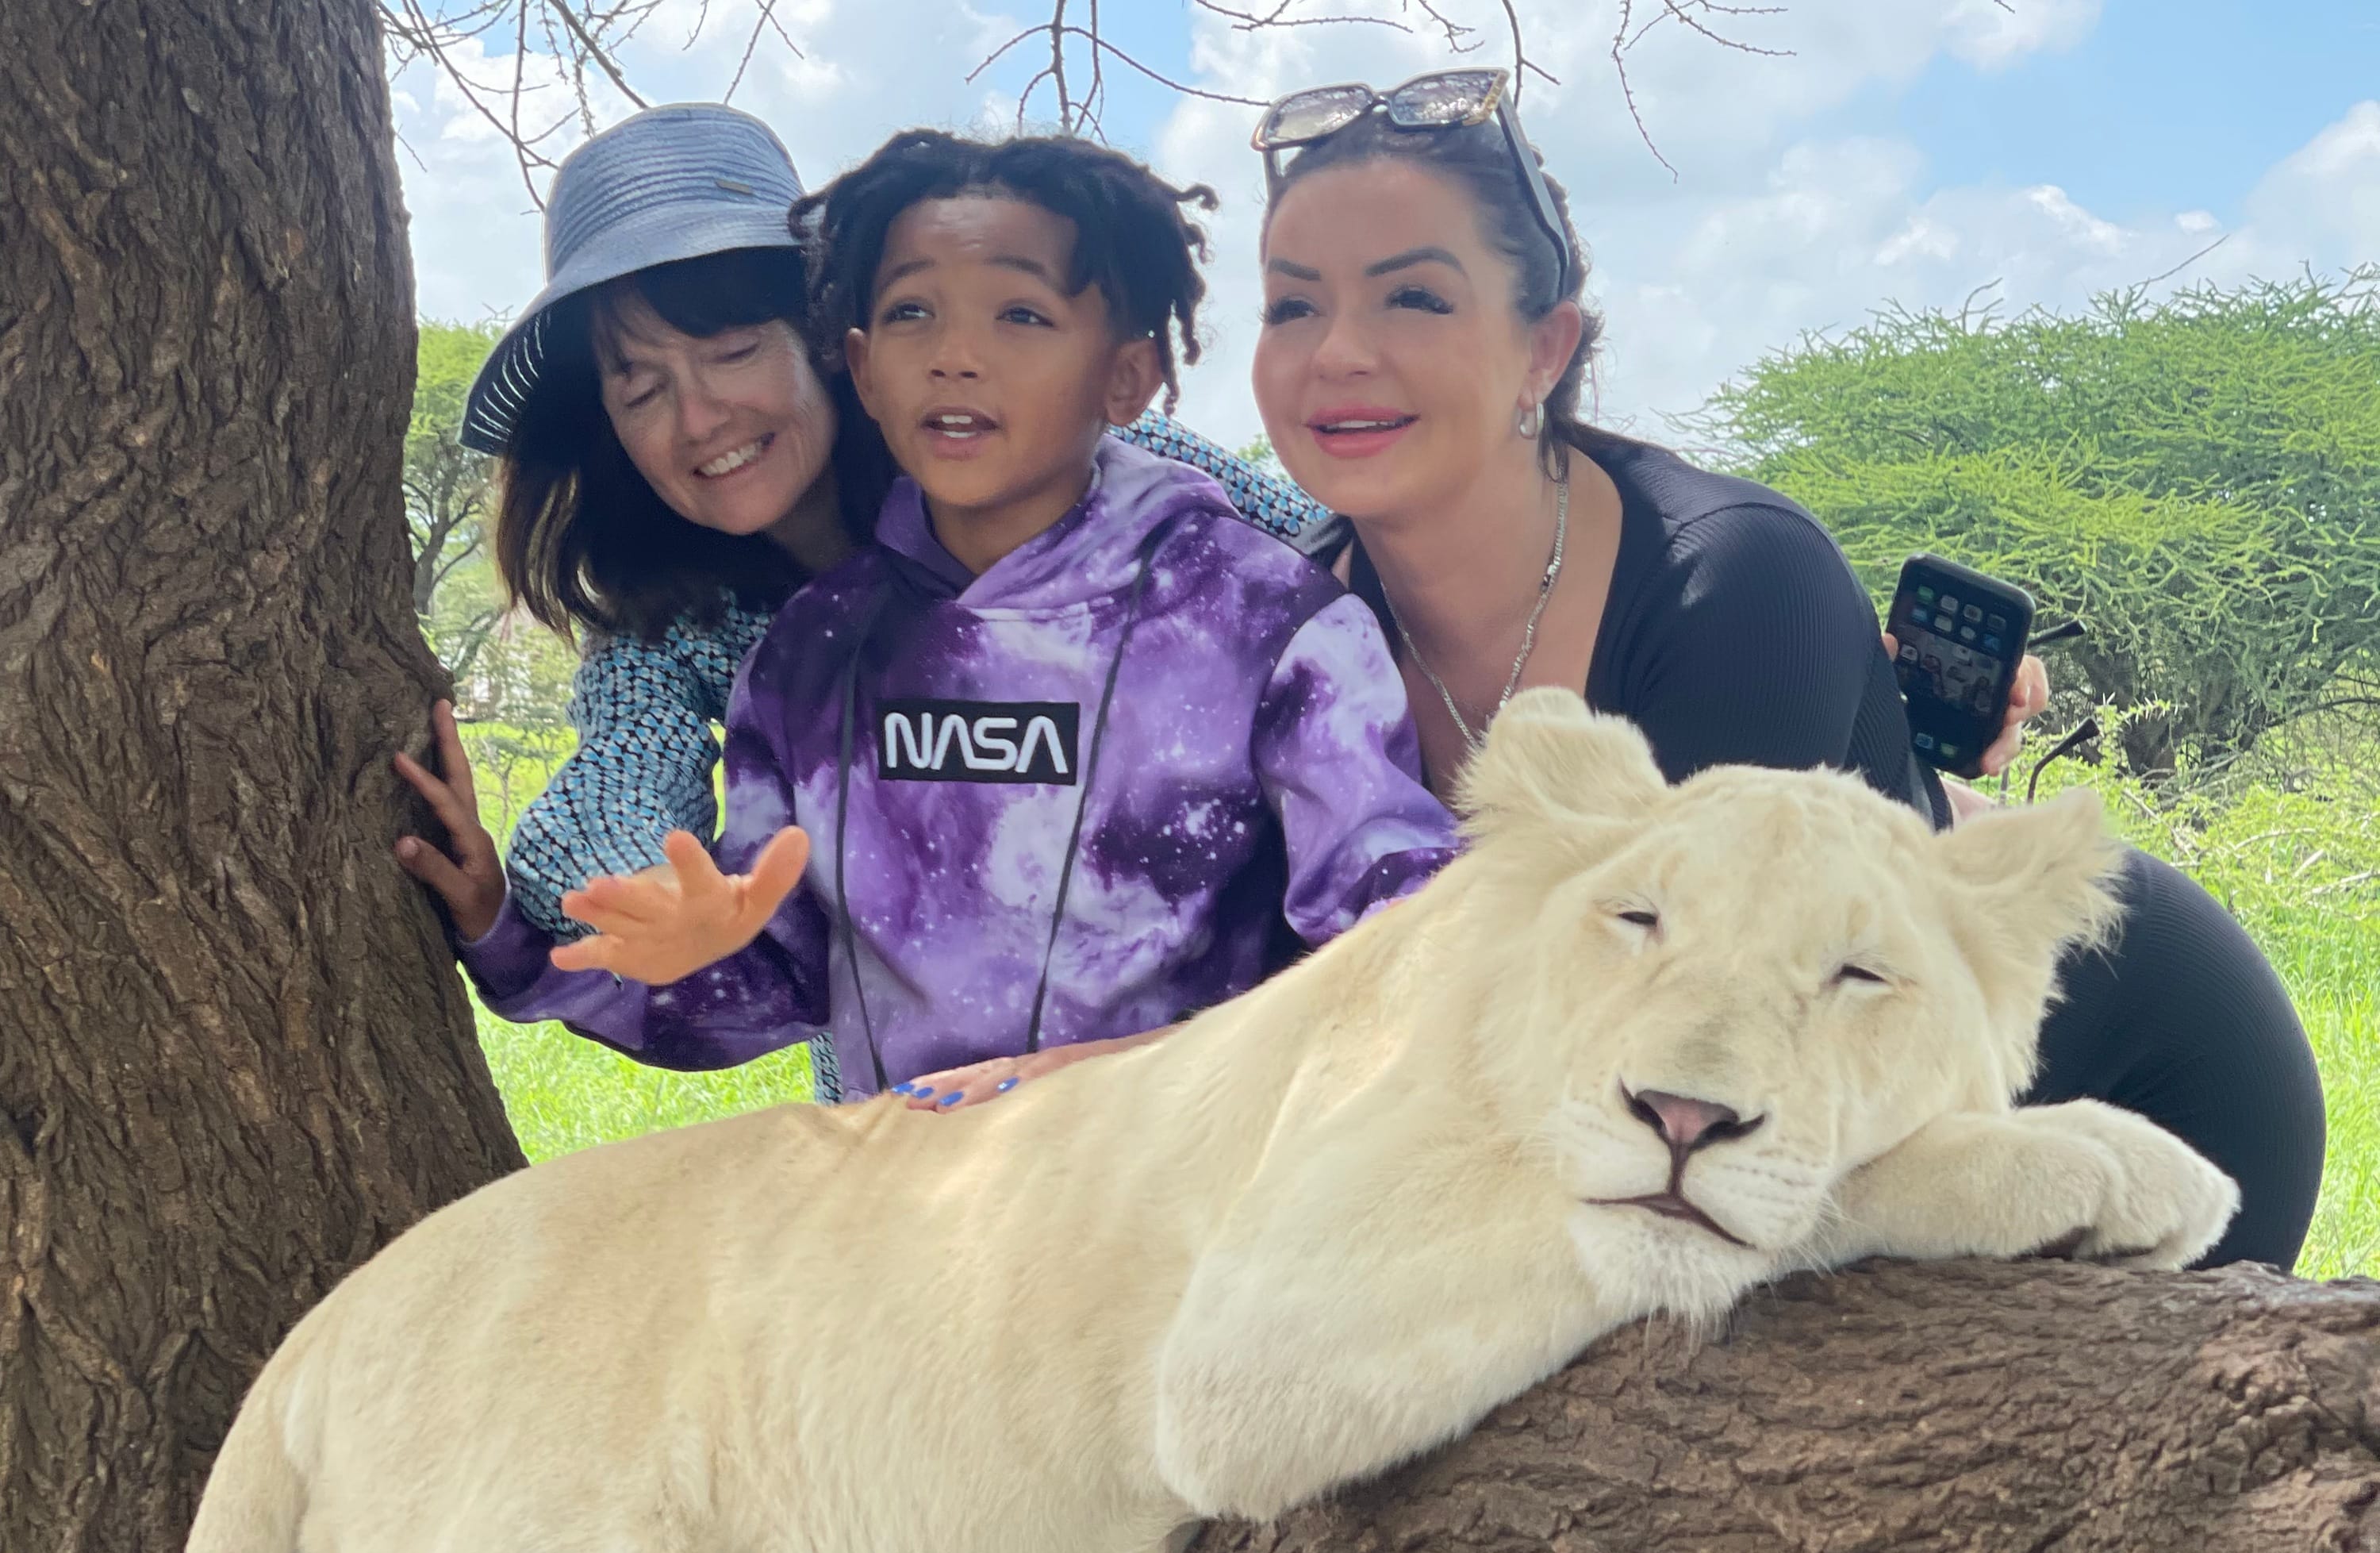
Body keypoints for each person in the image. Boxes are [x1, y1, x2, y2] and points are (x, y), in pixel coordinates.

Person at [1232, 66, 2324, 1271]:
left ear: (1545, 348)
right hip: (1720, 1142)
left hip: (2120, 1085)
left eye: (1415, 301)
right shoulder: (1272, 624)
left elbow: (1673, 1050)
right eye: (1293, 307)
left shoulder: (1738, 583)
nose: (1338, 354)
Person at [458, 127, 1460, 1098]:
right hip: (920, 1148)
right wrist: (655, 898)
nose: (698, 416)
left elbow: (1329, 559)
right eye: (639, 387)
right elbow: (616, 795)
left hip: (1196, 1110)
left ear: (822, 342)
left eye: (730, 351)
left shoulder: (1119, 500)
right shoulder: (709, 628)